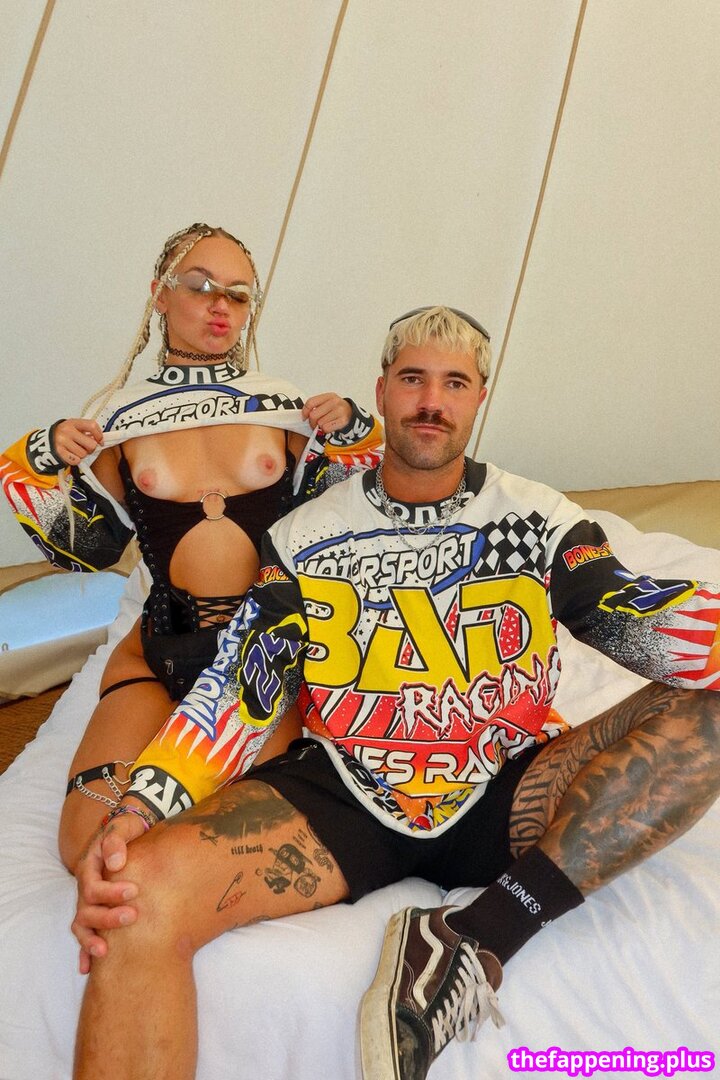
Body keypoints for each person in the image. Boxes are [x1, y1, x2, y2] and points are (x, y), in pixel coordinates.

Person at [70, 306, 719, 1080]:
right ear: (381, 392)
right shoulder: (306, 536)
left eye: (455, 383)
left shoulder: (540, 518)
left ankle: (478, 936)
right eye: (413, 379)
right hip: (345, 788)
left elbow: (626, 618)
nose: (431, 401)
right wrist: (139, 808)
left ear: (479, 398)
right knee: (135, 898)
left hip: (508, 781)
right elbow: (242, 690)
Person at [0, 222, 382, 871]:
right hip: (157, 653)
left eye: (238, 293)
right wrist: (40, 459)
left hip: (263, 658)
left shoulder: (284, 407)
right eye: (200, 286)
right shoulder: (117, 418)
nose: (219, 306)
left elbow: (359, 522)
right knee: (85, 844)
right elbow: (87, 550)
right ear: (159, 294)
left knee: (256, 837)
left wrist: (353, 434)